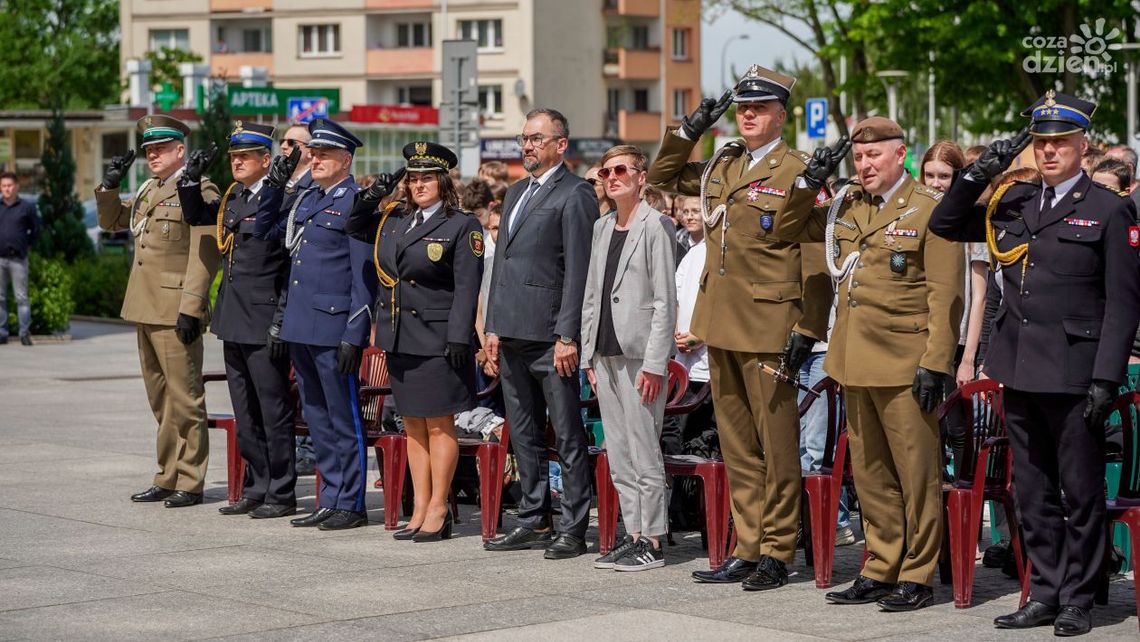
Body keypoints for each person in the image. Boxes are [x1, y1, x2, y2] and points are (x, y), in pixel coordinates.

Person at [930, 91, 1140, 636]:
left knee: (1081, 491)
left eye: (1060, 143)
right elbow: (946, 223)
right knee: (1032, 491)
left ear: (1082, 145)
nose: (1049, 152)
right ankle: (1044, 591)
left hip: (1075, 373)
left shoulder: (1109, 209)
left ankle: (1080, 597)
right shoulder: (1015, 201)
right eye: (1041, 143)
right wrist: (979, 173)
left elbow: (1122, 302)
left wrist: (1105, 378)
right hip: (1019, 368)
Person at [647, 65, 831, 591]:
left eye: (759, 108)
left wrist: (809, 328)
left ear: (780, 115)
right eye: (741, 109)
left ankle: (777, 550)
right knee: (738, 446)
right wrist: (688, 130)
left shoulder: (798, 171)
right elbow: (661, 179)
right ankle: (747, 547)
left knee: (777, 445)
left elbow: (815, 257)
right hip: (720, 322)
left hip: (772, 324)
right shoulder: (723, 165)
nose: (747, 115)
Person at [777, 116, 964, 611]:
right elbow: (788, 226)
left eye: (874, 155)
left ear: (900, 154)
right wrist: (808, 182)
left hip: (907, 360)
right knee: (872, 473)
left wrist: (937, 361)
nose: (864, 165)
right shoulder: (847, 205)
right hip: (854, 357)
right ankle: (881, 564)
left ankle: (918, 573)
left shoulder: (928, 208)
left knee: (916, 472)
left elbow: (947, 293)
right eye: (858, 157)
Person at [347, 141, 482, 542]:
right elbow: (354, 226)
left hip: (440, 339)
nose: (418, 185)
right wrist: (373, 195)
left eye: (426, 178)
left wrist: (460, 335)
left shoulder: (462, 225)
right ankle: (420, 505)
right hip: (400, 337)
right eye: (413, 178)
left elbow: (466, 287)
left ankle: (440, 505)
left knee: (440, 426)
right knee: (413, 427)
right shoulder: (394, 218)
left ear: (443, 181)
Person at [482, 108, 597, 560]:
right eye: (523, 138)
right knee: (524, 431)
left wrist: (568, 334)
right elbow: (503, 267)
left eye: (535, 138)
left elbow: (578, 270)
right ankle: (532, 517)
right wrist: (492, 326)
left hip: (551, 336)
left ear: (560, 144)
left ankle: (572, 525)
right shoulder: (513, 194)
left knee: (566, 435)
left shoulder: (576, 194)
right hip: (511, 330)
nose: (527, 146)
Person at [253, 118, 379, 531]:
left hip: (333, 326)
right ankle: (329, 497)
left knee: (342, 417)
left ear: (345, 160)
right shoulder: (308, 199)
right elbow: (265, 230)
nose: (316, 159)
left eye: (324, 154)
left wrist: (354, 334)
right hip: (301, 324)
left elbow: (363, 277)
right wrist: (273, 186)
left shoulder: (354, 202)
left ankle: (351, 502)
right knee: (317, 416)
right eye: (315, 153)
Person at [95, 115, 221, 508]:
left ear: (180, 150)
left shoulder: (198, 188)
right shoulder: (150, 189)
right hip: (145, 305)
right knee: (160, 399)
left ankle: (191, 479)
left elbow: (205, 251)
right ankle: (167, 474)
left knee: (185, 398)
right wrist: (110, 186)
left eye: (161, 148)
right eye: (149, 149)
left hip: (174, 307)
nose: (152, 154)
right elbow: (112, 220)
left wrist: (192, 305)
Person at [178, 122, 298, 519]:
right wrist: (190, 181)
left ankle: (280, 492)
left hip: (264, 318)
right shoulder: (234, 197)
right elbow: (198, 217)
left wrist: (281, 321)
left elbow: (282, 260)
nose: (237, 162)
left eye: (244, 156)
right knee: (245, 410)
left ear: (267, 160)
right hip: (233, 317)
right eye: (233, 157)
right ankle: (256, 485)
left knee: (272, 409)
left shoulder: (280, 198)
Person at [580, 144, 678, 571]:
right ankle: (633, 533)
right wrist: (587, 353)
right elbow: (591, 296)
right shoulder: (602, 227)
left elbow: (664, 302)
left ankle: (653, 540)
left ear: (641, 177)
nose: (612, 177)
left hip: (640, 356)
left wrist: (656, 363)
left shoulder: (656, 226)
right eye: (606, 171)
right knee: (617, 452)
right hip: (604, 353)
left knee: (644, 451)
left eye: (621, 170)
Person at [919, 142, 984, 384]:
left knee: (953, 421)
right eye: (929, 175)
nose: (935, 183)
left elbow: (980, 297)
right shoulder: (915, 216)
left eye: (944, 176)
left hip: (959, 340)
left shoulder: (972, 219)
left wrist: (968, 360)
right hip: (923, 336)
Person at [278, 123, 319, 477]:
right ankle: (298, 444)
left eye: (292, 142)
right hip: (281, 297)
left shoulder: (311, 189)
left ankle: (308, 449)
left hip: (305, 299)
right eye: (282, 142)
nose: (284, 147)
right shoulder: (283, 184)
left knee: (313, 392)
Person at [0, 172, 38, 346]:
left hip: (18, 259)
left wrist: (27, 245)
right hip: (0, 259)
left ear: (17, 187)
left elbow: (36, 230)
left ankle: (24, 334)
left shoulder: (26, 207)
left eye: (10, 185)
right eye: (4, 186)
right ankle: (2, 333)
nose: (7, 189)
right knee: (0, 298)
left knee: (21, 297)